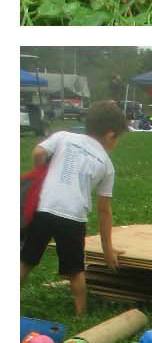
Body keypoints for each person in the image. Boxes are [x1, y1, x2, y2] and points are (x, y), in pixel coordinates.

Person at [21, 99, 125, 318]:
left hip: (44, 208)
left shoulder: (63, 137)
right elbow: (104, 210)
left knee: (27, 260)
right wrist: (107, 249)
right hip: (73, 218)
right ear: (111, 135)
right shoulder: (107, 165)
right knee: (75, 270)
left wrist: (40, 172)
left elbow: (38, 153)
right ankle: (81, 314)